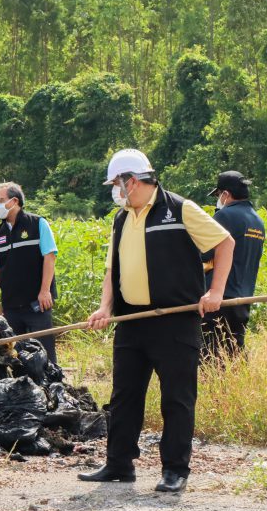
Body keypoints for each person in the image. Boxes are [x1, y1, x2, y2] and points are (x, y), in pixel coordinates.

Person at [78, 149, 234, 493]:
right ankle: (119, 463)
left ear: (132, 181)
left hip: (175, 320)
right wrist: (105, 307)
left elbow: (225, 242)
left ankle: (175, 469)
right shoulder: (121, 218)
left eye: (116, 184)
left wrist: (216, 291)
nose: (114, 191)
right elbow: (111, 269)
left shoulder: (180, 209)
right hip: (132, 321)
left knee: (176, 398)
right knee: (124, 396)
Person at [0, 182, 59, 364]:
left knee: (46, 356)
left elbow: (49, 257)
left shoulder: (37, 224)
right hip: (11, 307)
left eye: (1, 201)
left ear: (14, 201)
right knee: (16, 357)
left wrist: (45, 291)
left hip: (37, 304)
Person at [201, 171, 265, 357]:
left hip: (218, 297)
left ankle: (214, 387)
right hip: (244, 297)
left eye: (218, 195)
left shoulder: (225, 216)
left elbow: (204, 253)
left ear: (225, 194)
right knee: (233, 352)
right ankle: (235, 386)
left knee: (210, 354)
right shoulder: (257, 221)